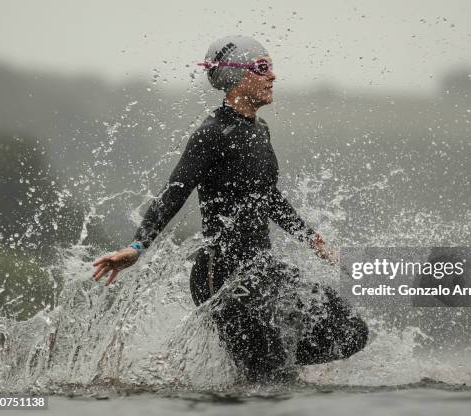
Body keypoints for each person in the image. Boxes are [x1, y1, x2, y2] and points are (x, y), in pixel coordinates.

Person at [92, 35, 368, 382]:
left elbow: (267, 196)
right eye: (263, 68)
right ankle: (253, 378)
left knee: (351, 332)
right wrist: (137, 247)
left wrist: (315, 242)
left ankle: (269, 370)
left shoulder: (259, 130)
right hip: (222, 277)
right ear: (236, 76)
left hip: (262, 269)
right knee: (269, 380)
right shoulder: (212, 133)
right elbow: (173, 193)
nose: (273, 77)